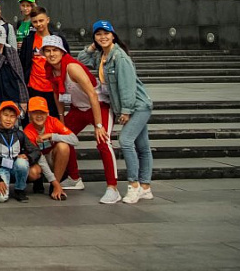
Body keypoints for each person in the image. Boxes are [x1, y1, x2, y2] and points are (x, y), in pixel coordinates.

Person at [78, 20, 154, 204]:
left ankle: (133, 185)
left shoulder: (119, 57)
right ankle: (146, 187)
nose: (103, 37)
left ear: (113, 35)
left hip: (138, 106)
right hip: (131, 106)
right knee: (142, 147)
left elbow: (127, 87)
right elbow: (80, 60)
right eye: (98, 34)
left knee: (126, 141)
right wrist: (91, 47)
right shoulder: (102, 55)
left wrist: (126, 111)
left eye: (106, 33)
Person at [40, 35, 119, 202]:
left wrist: (98, 124)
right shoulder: (50, 68)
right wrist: (61, 119)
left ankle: (112, 187)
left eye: (55, 50)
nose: (51, 54)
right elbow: (57, 94)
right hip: (78, 109)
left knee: (103, 141)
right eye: (47, 51)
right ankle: (75, 179)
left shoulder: (72, 67)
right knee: (63, 136)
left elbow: (92, 94)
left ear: (62, 52)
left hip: (98, 106)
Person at [0, 100, 43, 202]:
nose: (8, 119)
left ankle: (20, 189)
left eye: (12, 116)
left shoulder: (19, 134)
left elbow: (36, 151)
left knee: (22, 163)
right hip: (0, 169)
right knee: (0, 198)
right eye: (5, 115)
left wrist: (28, 157)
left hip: (15, 167)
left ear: (16, 119)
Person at [19, 6, 70, 118]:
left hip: (53, 88)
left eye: (41, 20)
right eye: (35, 22)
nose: (39, 24)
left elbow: (68, 60)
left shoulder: (58, 39)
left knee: (54, 121)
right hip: (34, 87)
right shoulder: (28, 41)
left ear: (48, 19)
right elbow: (23, 64)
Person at [22, 96, 73, 200]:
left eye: (42, 112)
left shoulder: (53, 121)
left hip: (52, 157)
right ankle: (41, 182)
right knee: (33, 173)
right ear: (29, 114)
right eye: (35, 112)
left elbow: (74, 139)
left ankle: (54, 186)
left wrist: (52, 135)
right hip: (39, 161)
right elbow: (40, 159)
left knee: (63, 147)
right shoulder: (27, 132)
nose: (39, 116)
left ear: (47, 113)